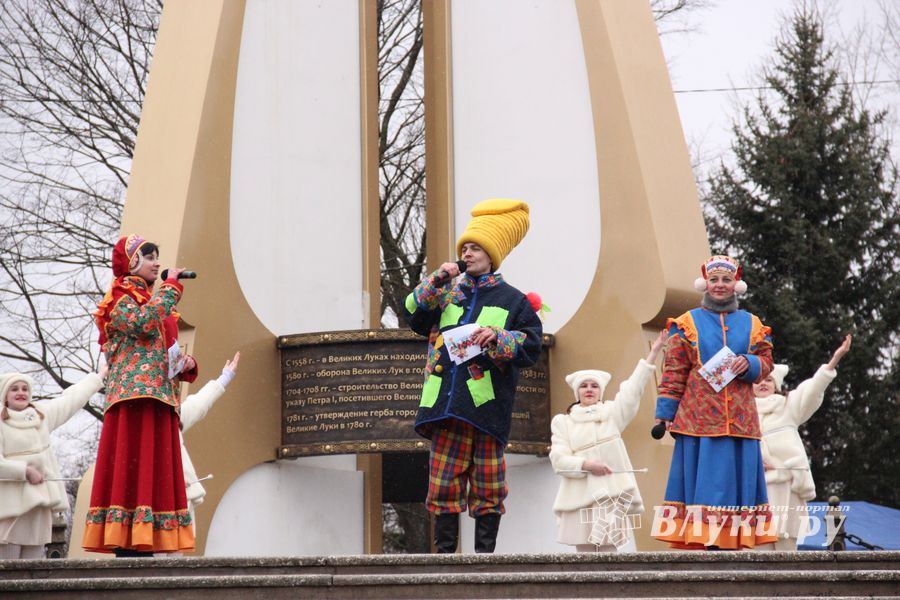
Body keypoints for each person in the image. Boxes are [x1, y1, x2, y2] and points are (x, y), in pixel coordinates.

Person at [404, 199, 542, 554]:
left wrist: (499, 338)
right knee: (442, 486)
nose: (467, 253)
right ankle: (444, 561)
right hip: (445, 407)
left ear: (491, 254)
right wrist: (439, 277)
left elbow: (531, 346)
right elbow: (414, 314)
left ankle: (485, 562)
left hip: (486, 409)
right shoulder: (447, 292)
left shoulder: (515, 301)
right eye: (464, 247)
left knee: (488, 487)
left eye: (475, 247)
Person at [83, 233, 198, 556]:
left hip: (160, 397)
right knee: (135, 464)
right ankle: (127, 540)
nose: (158, 263)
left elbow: (162, 341)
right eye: (149, 257)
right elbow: (144, 324)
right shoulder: (120, 297)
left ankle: (148, 538)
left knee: (152, 468)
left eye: (157, 257)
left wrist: (185, 362)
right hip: (133, 397)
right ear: (132, 261)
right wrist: (172, 287)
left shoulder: (153, 299)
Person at [654, 255, 777, 550]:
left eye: (726, 280)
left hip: (740, 420)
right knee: (705, 485)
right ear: (705, 284)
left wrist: (748, 363)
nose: (720, 285)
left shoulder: (753, 323)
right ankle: (704, 540)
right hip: (698, 422)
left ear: (736, 284)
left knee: (736, 485)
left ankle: (733, 540)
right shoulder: (686, 324)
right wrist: (664, 414)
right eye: (714, 280)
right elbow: (674, 372)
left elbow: (767, 362)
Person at [550, 332, 665, 552]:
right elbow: (558, 459)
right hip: (578, 494)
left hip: (611, 493)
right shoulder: (563, 422)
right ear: (577, 392)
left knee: (608, 552)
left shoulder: (613, 414)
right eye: (584, 386)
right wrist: (587, 465)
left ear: (600, 392)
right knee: (584, 554)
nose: (589, 389)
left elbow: (632, 390)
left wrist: (653, 353)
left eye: (594, 386)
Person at [755, 335, 851, 551]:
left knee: (785, 547)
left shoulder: (788, 405)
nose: (763, 383)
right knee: (755, 549)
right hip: (754, 488)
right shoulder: (740, 412)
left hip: (787, 486)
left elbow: (813, 389)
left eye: (768, 379)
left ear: (776, 384)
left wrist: (834, 360)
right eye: (758, 379)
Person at [0, 369, 107, 559]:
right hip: (9, 508)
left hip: (39, 506)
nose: (21, 392)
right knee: (8, 571)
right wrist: (24, 471)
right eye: (14, 389)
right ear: (4, 396)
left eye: (25, 388)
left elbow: (70, 400)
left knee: (34, 570)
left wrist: (99, 375)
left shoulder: (41, 416)